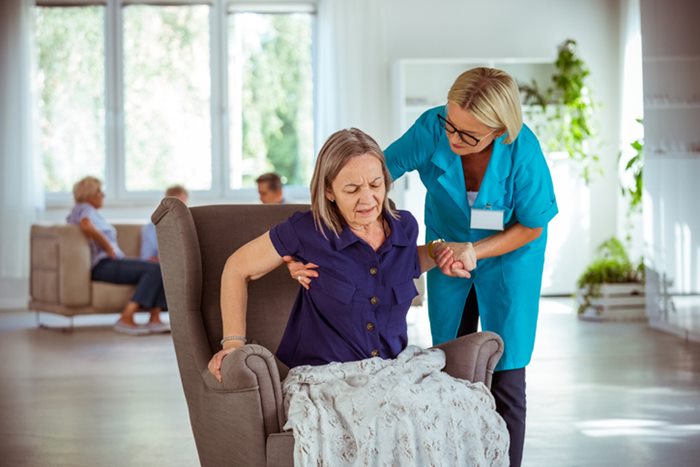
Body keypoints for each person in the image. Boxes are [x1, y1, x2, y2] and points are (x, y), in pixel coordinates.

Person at [287, 67, 557, 467]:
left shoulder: (524, 152)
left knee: (508, 373)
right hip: (444, 248)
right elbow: (373, 178)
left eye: (468, 134)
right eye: (450, 124)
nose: (452, 137)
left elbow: (532, 225)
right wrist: (312, 247)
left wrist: (476, 251)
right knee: (450, 360)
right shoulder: (432, 128)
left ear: (500, 129)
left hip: (508, 257)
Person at [207, 128, 474, 379]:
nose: (368, 199)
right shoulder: (306, 230)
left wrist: (438, 250)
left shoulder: (404, 227)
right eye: (352, 189)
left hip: (390, 373)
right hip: (325, 377)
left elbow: (402, 264)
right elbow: (236, 267)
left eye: (375, 184)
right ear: (328, 191)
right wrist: (233, 344)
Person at [67, 176, 170, 335]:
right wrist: (109, 248)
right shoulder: (85, 208)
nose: (103, 195)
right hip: (103, 265)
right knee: (155, 269)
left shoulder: (85, 210)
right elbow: (86, 225)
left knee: (158, 268)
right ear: (88, 194)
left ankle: (154, 319)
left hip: (109, 263)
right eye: (99, 191)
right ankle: (127, 317)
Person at [140, 184, 189, 262]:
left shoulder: (189, 226)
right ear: (166, 204)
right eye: (176, 205)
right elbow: (147, 259)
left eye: (183, 205)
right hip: (159, 267)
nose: (180, 210)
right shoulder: (151, 227)